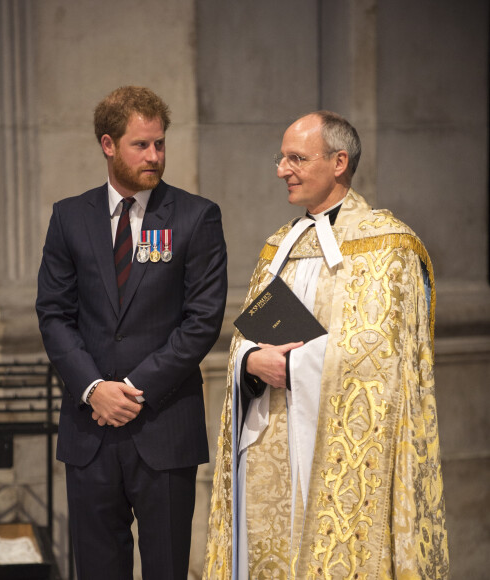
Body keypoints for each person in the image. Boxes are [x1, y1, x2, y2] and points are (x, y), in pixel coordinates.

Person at [203, 111, 449, 579]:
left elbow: (382, 356)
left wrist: (292, 368)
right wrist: (252, 360)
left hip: (345, 446)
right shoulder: (281, 246)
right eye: (281, 158)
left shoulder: (389, 246)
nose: (281, 170)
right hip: (270, 437)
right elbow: (244, 336)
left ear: (339, 162)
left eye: (295, 158)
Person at [36, 85, 227, 580]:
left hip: (162, 426)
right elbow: (54, 315)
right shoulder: (69, 217)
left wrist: (133, 390)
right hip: (90, 428)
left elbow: (202, 319)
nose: (154, 156)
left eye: (160, 143)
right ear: (108, 144)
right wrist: (95, 389)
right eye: (141, 145)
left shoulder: (194, 216)